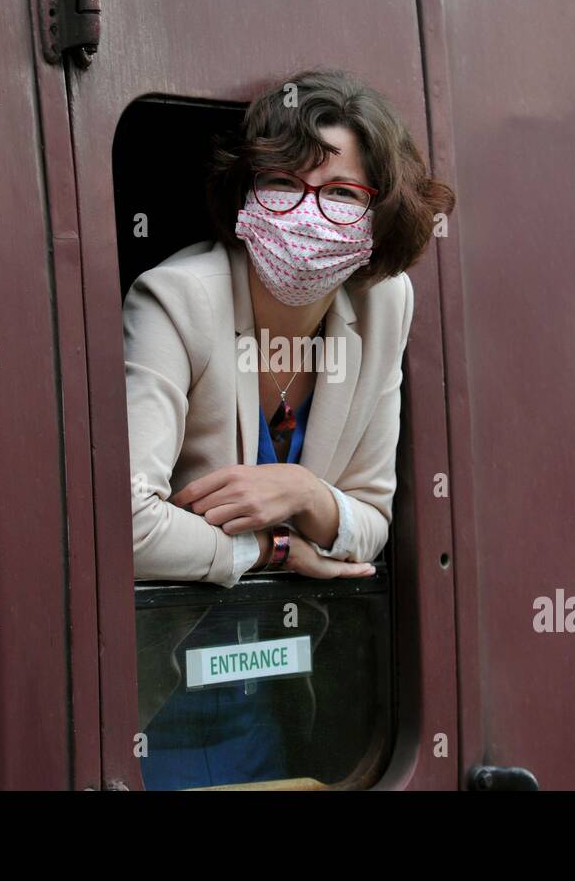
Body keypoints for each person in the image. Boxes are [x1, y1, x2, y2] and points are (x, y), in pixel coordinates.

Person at [125, 67, 455, 788]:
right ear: (247, 195)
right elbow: (127, 521)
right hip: (149, 710)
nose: (307, 214)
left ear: (379, 215)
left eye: (340, 194)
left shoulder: (385, 305)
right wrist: (276, 543)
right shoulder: (174, 301)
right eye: (282, 185)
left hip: (273, 706)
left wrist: (302, 488)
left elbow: (370, 517)